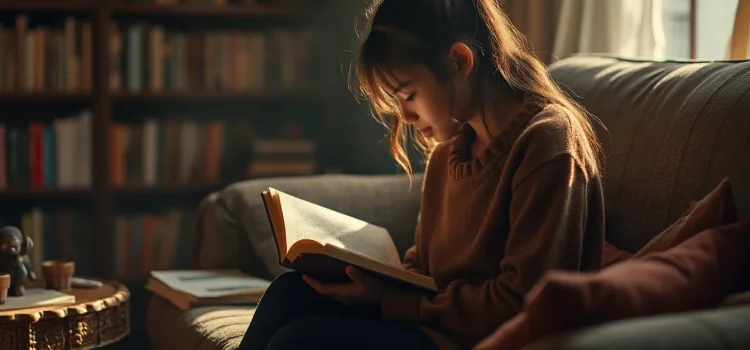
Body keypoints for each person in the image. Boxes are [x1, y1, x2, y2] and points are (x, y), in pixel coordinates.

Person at [237, 0, 606, 349]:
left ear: (459, 61)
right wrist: (369, 282)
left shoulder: (547, 140)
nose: (405, 117)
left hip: (474, 340)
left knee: (300, 341)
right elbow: (425, 268)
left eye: (408, 95)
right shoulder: (450, 151)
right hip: (429, 323)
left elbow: (522, 301)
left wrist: (394, 303)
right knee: (290, 292)